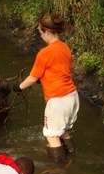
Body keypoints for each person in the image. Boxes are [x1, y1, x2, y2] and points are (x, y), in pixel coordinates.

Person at [14, 15, 79, 163]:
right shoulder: (65, 47)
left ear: (47, 32)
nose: (41, 36)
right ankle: (72, 156)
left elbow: (32, 77)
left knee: (51, 135)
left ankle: (58, 172)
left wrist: (18, 86)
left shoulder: (45, 53)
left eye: (41, 32)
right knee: (62, 131)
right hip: (72, 96)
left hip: (58, 100)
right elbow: (60, 71)